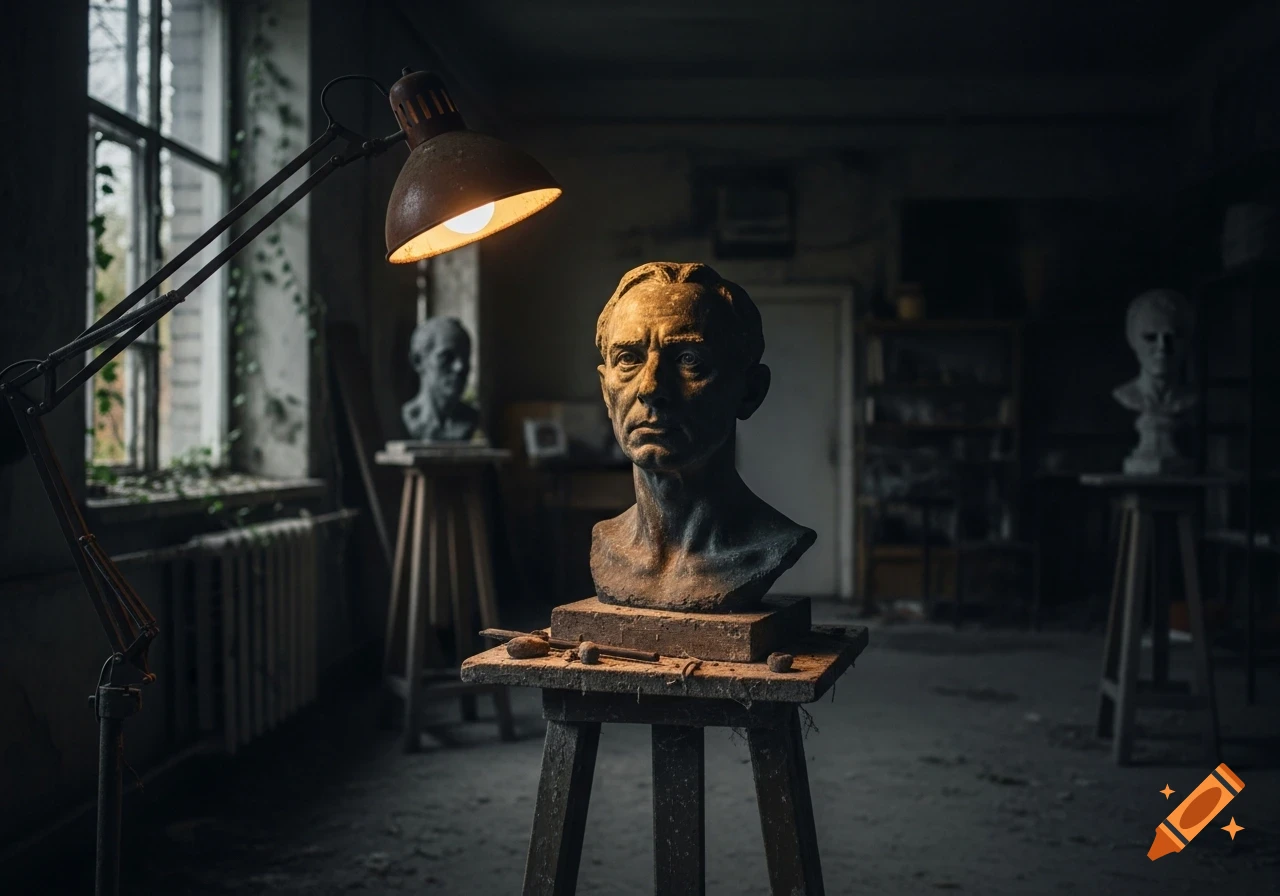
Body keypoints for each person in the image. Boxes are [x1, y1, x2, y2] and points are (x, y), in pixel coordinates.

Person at [590, 261, 815, 613]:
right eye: (628, 358)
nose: (650, 388)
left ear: (750, 392)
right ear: (607, 392)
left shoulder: (771, 544)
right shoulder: (606, 545)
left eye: (688, 359)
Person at [1112, 289, 1197, 474]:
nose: (1162, 348)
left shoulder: (1190, 398)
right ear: (1133, 340)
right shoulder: (1126, 395)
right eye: (1151, 337)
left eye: (1172, 338)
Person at [401, 316, 480, 442]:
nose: (460, 367)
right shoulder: (404, 419)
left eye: (465, 357)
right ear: (418, 361)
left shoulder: (473, 419)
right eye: (447, 357)